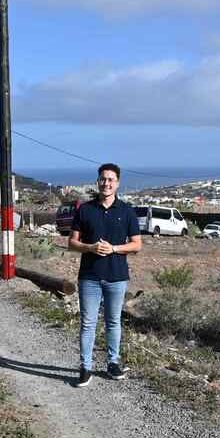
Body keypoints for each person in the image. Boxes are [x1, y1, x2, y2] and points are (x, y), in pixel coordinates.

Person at [67, 163, 142, 387]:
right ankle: (85, 367)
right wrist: (90, 248)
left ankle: (113, 363)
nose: (106, 183)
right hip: (89, 277)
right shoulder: (84, 209)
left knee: (113, 321)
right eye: (103, 179)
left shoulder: (127, 211)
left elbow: (137, 245)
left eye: (110, 179)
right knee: (88, 323)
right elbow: (72, 243)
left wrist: (114, 249)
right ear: (97, 182)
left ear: (117, 183)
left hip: (116, 277)